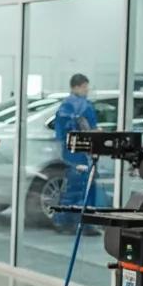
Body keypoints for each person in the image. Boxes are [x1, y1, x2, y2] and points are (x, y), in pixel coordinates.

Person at [52, 73, 101, 231]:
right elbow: (90, 130)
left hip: (68, 151)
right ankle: (83, 224)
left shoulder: (64, 106)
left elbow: (60, 132)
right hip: (82, 152)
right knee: (83, 186)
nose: (87, 90)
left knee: (71, 186)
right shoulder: (84, 106)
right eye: (85, 87)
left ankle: (63, 221)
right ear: (76, 87)